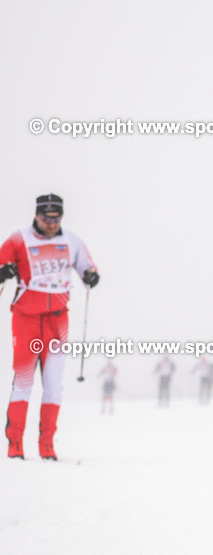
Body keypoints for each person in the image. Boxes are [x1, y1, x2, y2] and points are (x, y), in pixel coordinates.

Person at [1, 194, 100, 460]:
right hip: (26, 319)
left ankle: (47, 445)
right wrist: (3, 272)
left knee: (53, 385)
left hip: (58, 320)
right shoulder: (19, 239)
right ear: (36, 215)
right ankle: (15, 444)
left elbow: (87, 268)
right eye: (46, 218)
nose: (52, 224)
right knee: (23, 382)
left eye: (56, 219)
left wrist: (91, 275)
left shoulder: (72, 240)